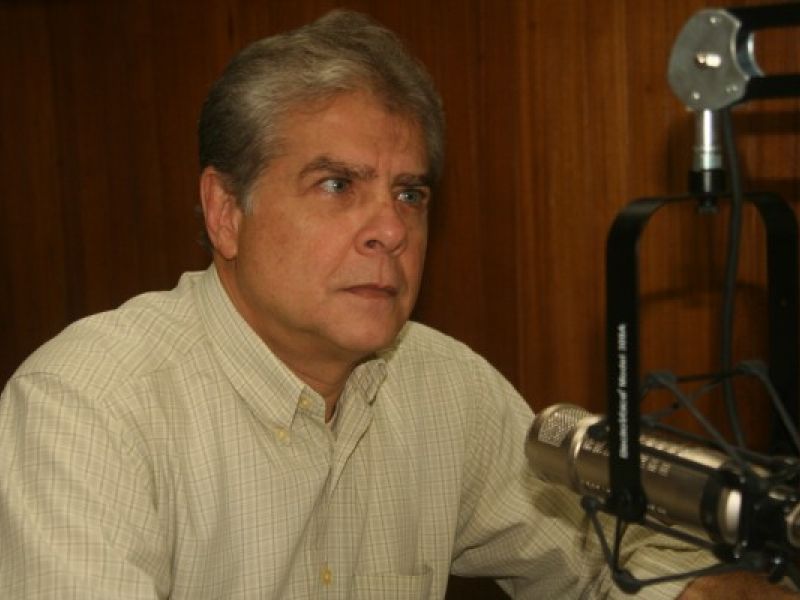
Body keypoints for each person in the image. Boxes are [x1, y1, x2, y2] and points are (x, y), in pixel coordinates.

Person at [0, 9, 795, 600]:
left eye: (411, 193)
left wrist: (700, 591)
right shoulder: (88, 406)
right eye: (337, 184)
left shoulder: (444, 386)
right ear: (225, 211)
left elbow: (598, 564)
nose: (391, 228)